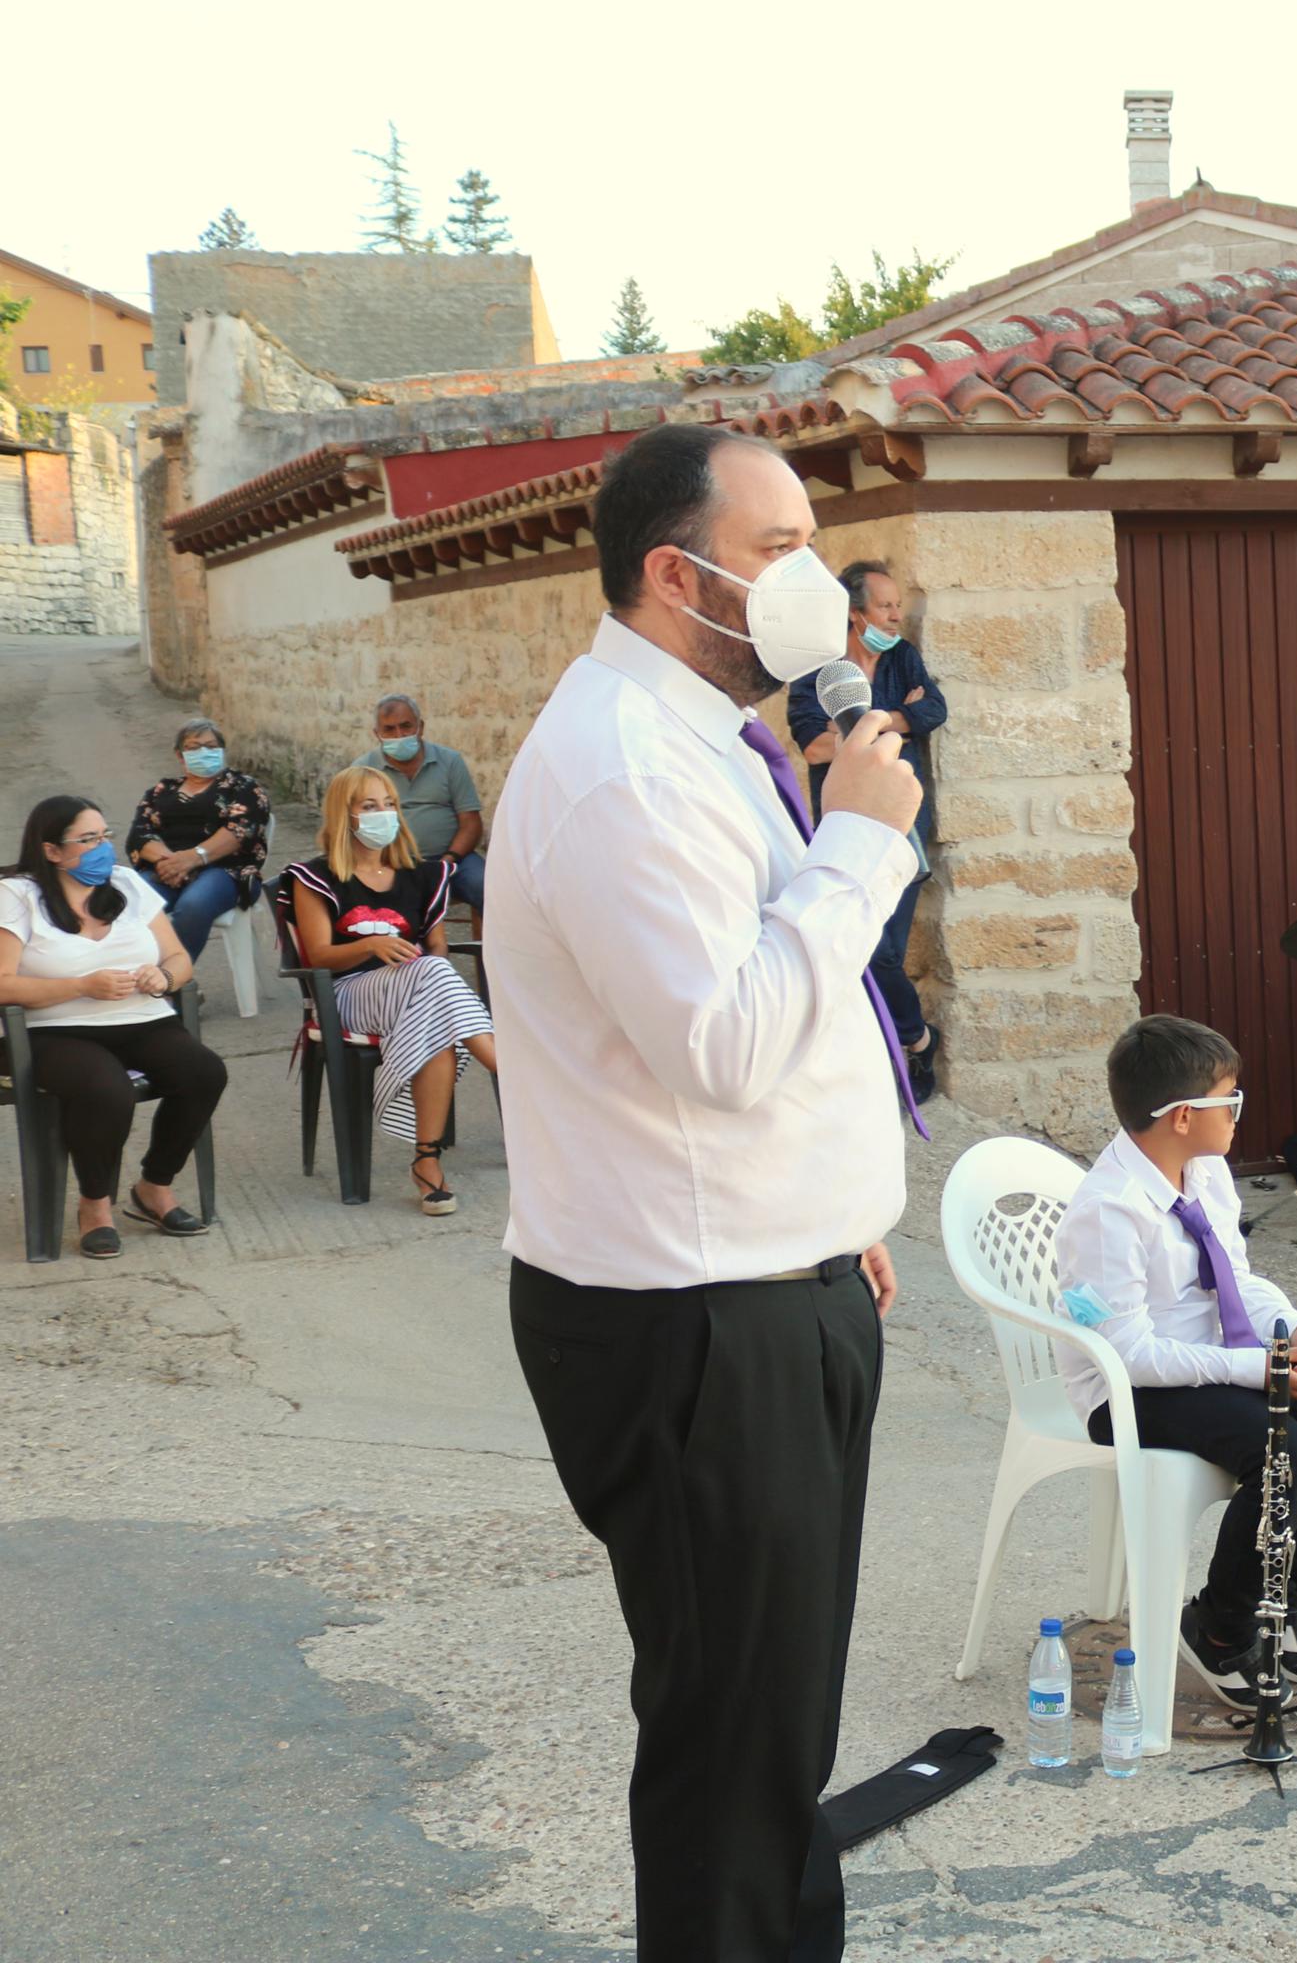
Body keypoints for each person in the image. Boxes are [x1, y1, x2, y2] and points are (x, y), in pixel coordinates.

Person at [487, 421, 924, 1962]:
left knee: (772, 1731)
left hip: (768, 1278)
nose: (818, 585)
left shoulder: (700, 740)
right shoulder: (621, 774)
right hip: (694, 1327)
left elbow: (750, 1023)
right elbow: (724, 1042)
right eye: (778, 549)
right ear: (679, 576)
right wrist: (862, 850)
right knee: (730, 1753)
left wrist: (826, 1221)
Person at [1054, 1014, 1297, 1701]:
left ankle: (1293, 1585)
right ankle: (1219, 1628)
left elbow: (1236, 1277)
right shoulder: (1109, 1212)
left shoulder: (1205, 1171)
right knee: (1289, 1452)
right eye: (1230, 1099)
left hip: (1217, 1354)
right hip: (1128, 1390)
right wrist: (1257, 1371)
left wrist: (1292, 1326)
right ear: (1184, 1115)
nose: (1241, 1112)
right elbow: (1128, 1355)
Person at [0, 796, 225, 1258]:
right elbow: (3, 984)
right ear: (51, 851)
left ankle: (154, 1188)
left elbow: (178, 958)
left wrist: (163, 978)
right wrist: (80, 986)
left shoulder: (125, 882)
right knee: (107, 1090)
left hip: (142, 1019)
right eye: (87, 840)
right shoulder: (17, 894)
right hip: (54, 1031)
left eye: (105, 835)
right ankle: (95, 1205)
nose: (103, 848)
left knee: (204, 1073)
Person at [283, 768, 500, 1216]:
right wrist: (369, 944)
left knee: (434, 998)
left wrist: (421, 961)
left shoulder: (421, 875)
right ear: (345, 815)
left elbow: (435, 946)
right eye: (368, 806)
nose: (383, 814)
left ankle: (427, 1162)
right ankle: (511, 1068)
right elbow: (320, 955)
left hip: (414, 993)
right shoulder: (315, 877)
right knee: (433, 977)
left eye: (389, 805)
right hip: (349, 995)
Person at [789, 560, 947, 1102]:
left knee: (881, 953)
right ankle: (918, 1042)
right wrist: (893, 719)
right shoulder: (818, 670)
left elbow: (934, 711)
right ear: (856, 616)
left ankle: (902, 1054)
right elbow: (813, 745)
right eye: (885, 607)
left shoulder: (903, 657)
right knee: (859, 953)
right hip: (843, 828)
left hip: (903, 828)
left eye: (897, 606)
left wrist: (863, 726)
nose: (896, 616)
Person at [126, 718, 271, 966]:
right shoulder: (161, 791)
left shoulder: (243, 787)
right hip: (166, 870)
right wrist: (172, 863)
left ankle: (174, 982)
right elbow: (140, 835)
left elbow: (240, 831)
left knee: (194, 904)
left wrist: (193, 859)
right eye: (194, 747)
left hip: (226, 871)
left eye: (211, 746)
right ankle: (139, 976)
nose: (204, 752)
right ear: (180, 755)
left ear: (222, 750)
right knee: (127, 902)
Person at [356, 695, 487, 916]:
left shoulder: (449, 761)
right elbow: (355, 827)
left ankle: (491, 950)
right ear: (377, 734)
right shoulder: (364, 770)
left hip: (453, 860)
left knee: (489, 888)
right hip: (392, 863)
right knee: (386, 903)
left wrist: (448, 859)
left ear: (421, 727)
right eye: (389, 729)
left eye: (406, 726)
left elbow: (471, 822)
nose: (399, 736)